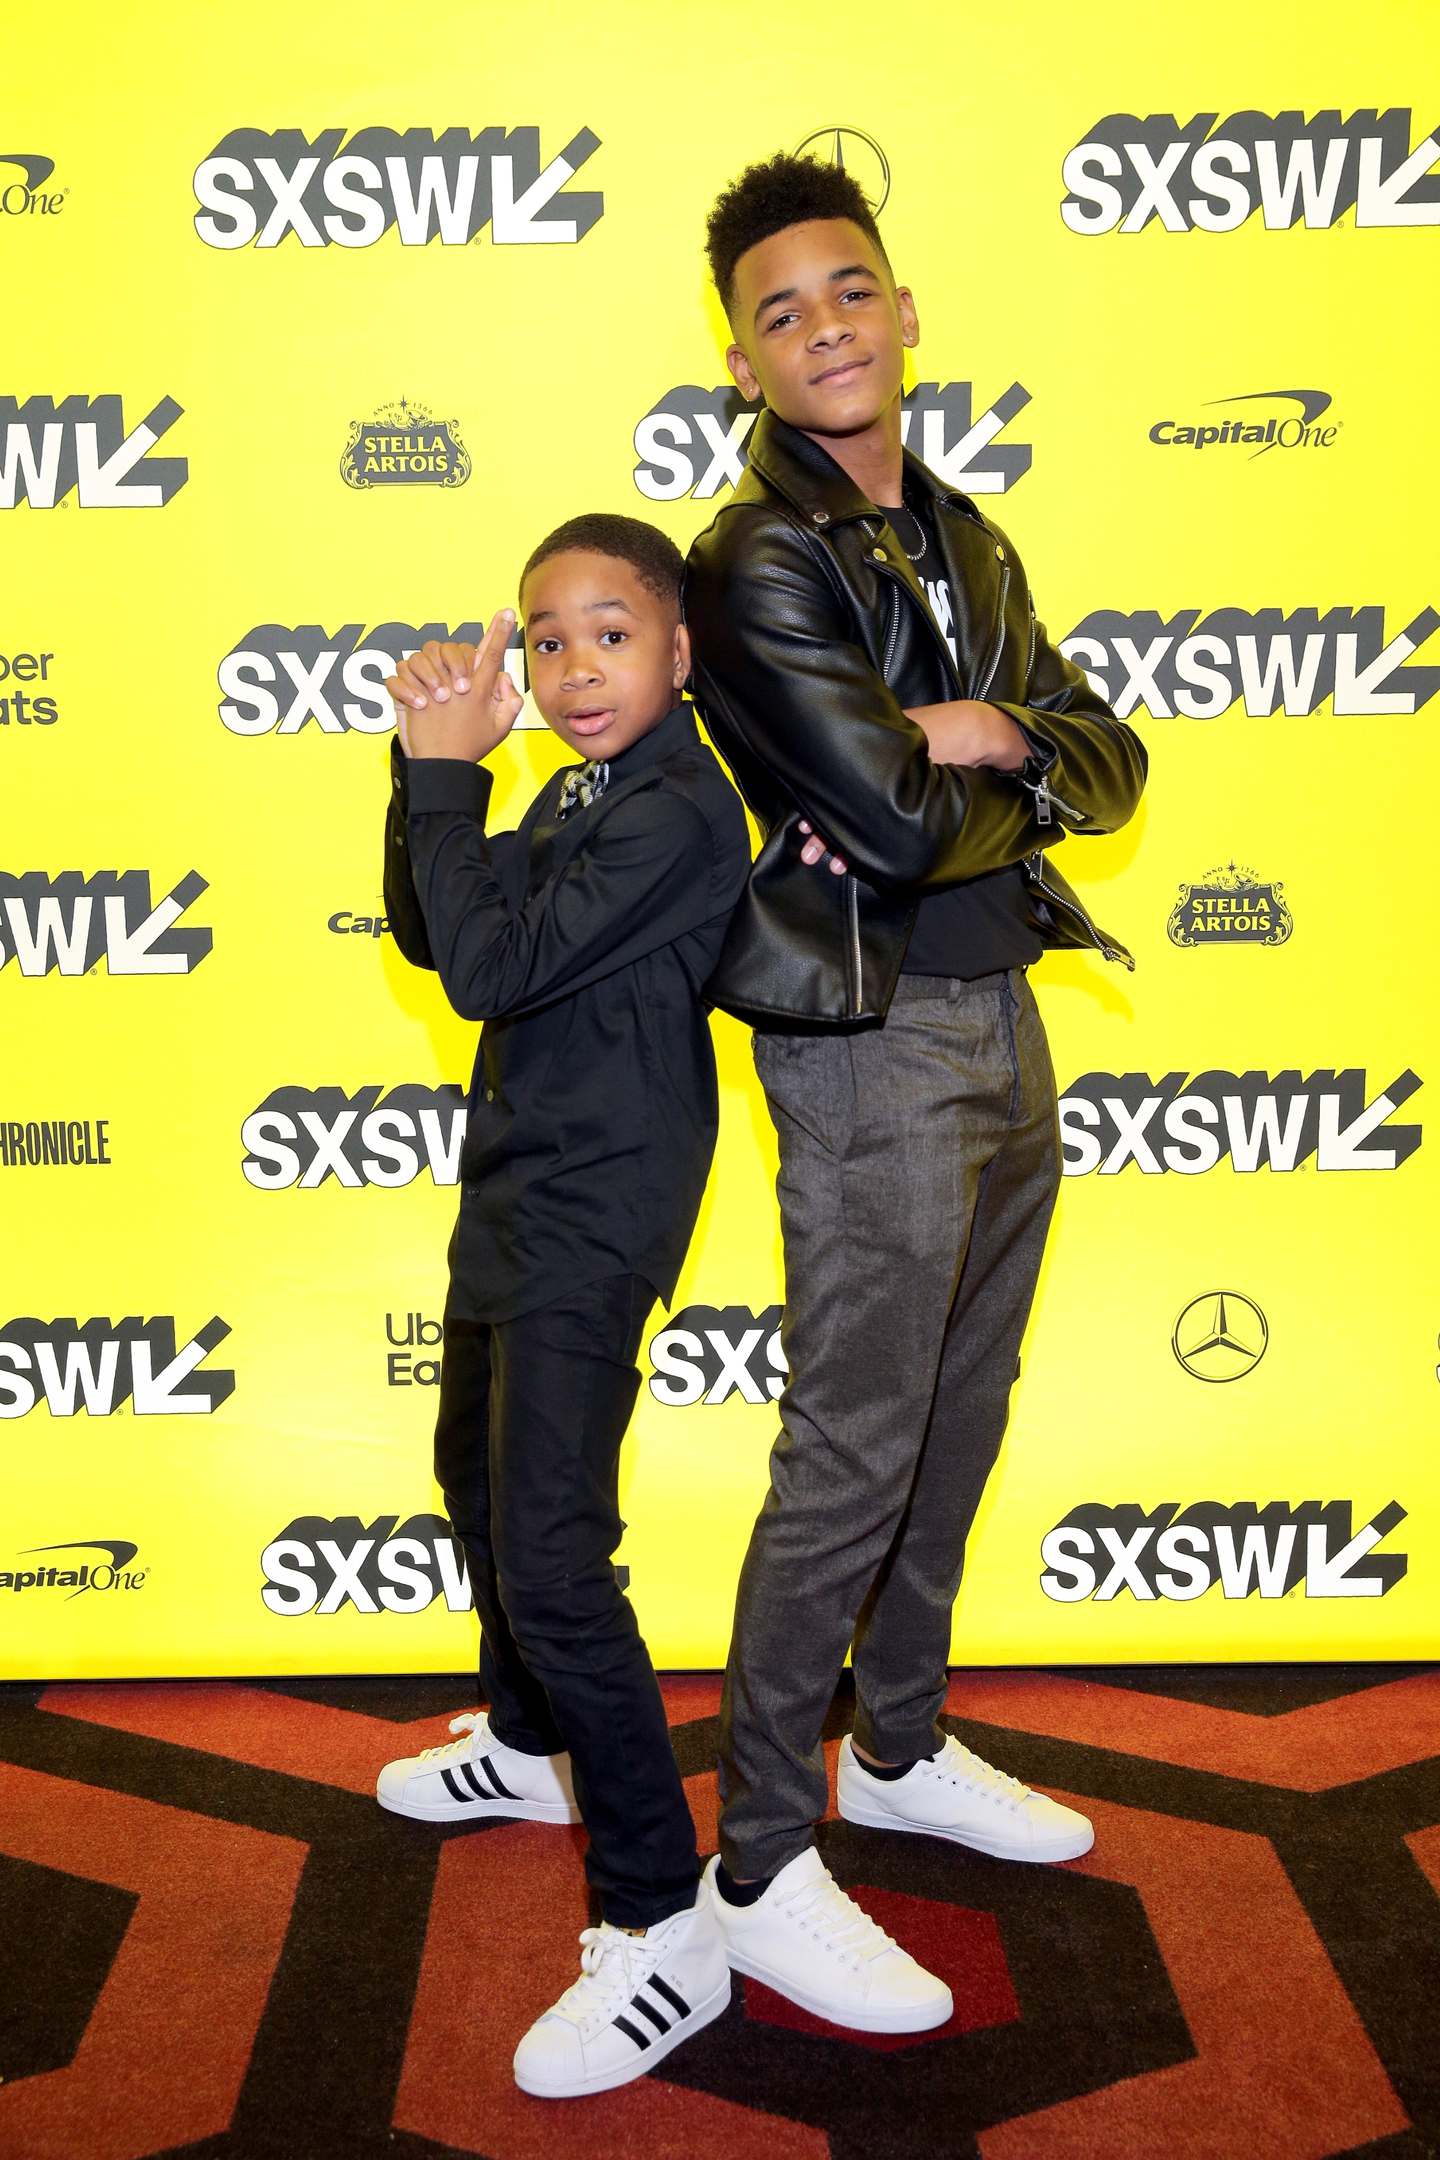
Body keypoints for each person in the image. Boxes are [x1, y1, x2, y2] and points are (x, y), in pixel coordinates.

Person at [682, 153, 1149, 2031]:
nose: (826, 329)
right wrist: (955, 762)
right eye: (781, 311)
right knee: (854, 1445)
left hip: (1006, 1015)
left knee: (964, 1408)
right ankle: (761, 1857)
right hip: (867, 1042)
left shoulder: (970, 539)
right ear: (742, 363)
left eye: (849, 289)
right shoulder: (755, 559)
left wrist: (1000, 732)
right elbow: (877, 816)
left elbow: (1112, 767)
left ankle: (903, 1746)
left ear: (906, 309)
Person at [376, 514, 751, 2098]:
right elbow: (429, 927)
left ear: (677, 652)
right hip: (517, 1192)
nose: (571, 664)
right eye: (544, 637)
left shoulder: (677, 807)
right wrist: (420, 772)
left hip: (599, 1214)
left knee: (548, 1550)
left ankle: (665, 1918)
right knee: (470, 1483)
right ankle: (526, 1747)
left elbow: (486, 969)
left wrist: (459, 784)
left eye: (608, 630)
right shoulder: (576, 790)